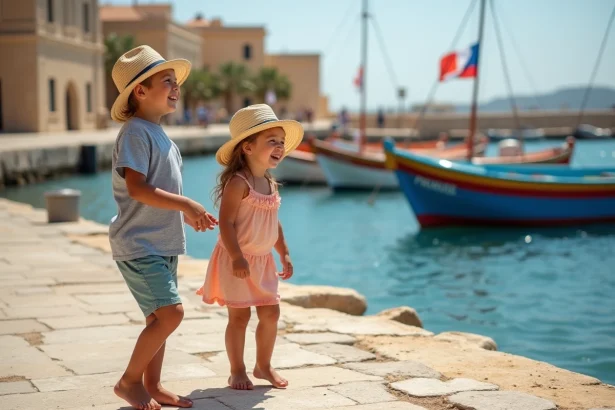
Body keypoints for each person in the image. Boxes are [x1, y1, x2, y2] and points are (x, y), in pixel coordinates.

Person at [108, 45, 217, 410]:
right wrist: (186, 203)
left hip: (162, 243)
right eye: (167, 81)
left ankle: (153, 384)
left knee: (158, 318)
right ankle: (129, 381)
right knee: (171, 314)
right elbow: (138, 188)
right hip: (139, 243)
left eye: (176, 82)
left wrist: (184, 213)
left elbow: (160, 190)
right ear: (140, 91)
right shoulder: (135, 133)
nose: (176, 88)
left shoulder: (161, 137)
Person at [197, 104, 303, 390]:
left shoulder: (270, 182)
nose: (280, 147)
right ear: (247, 147)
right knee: (240, 316)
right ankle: (237, 370)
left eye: (281, 142)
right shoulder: (238, 183)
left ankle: (263, 365)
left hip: (263, 260)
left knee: (271, 313)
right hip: (238, 260)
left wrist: (284, 252)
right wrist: (236, 257)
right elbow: (226, 223)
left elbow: (274, 223)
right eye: (272, 141)